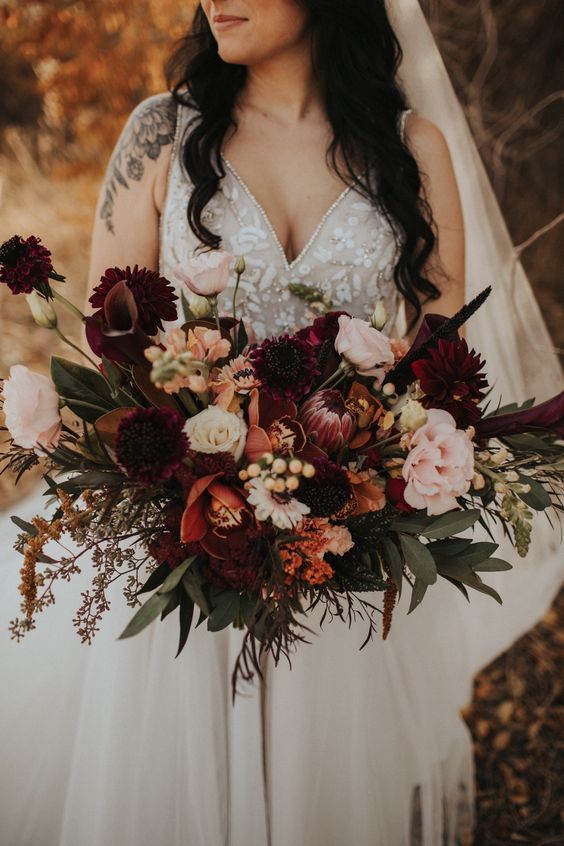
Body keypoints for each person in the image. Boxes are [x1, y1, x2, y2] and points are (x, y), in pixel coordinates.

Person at [0, 2, 561, 845]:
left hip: (339, 553)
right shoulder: (163, 134)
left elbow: (442, 372)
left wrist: (364, 484)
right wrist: (198, 464)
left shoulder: (413, 151)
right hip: (180, 541)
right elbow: (111, 351)